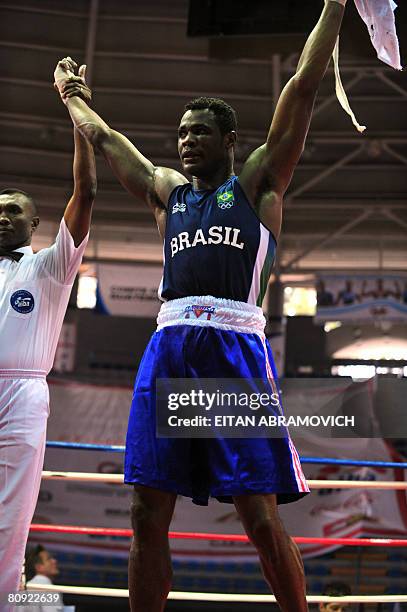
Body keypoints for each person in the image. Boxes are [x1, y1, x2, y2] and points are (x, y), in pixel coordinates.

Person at [54, 1, 347, 610]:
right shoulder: (168, 194)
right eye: (182, 133)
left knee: (259, 515)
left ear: (230, 142)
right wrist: (72, 96)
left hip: (234, 350)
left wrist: (336, 4)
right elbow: (106, 138)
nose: (187, 142)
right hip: (168, 347)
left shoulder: (261, 182)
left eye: (200, 133)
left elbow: (303, 84)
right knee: (145, 508)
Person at [0, 63, 96, 606]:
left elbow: (85, 191)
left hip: (24, 392)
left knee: (12, 516)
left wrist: (77, 113)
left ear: (35, 224)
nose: (2, 216)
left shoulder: (51, 266)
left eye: (14, 211)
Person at [24, 545, 73, 612]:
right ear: (39, 567)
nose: (54, 561)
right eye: (49, 559)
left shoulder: (26, 587)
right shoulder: (47, 588)